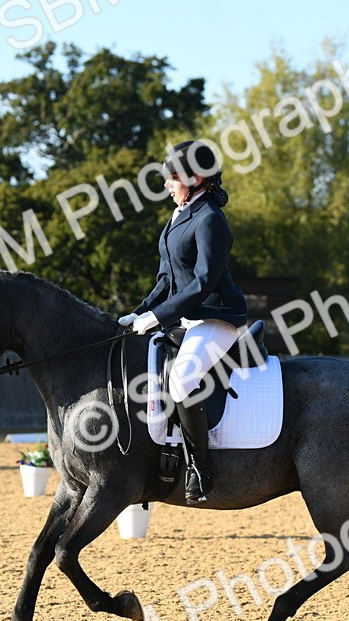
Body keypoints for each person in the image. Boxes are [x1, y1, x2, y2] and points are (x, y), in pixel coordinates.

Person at [118, 141, 248, 505]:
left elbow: (202, 283)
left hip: (216, 317)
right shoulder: (179, 215)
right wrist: (140, 311)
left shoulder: (211, 220)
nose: (167, 185)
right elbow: (167, 278)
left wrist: (158, 317)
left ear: (196, 178)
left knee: (183, 378)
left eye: (172, 178)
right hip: (187, 318)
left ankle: (201, 470)